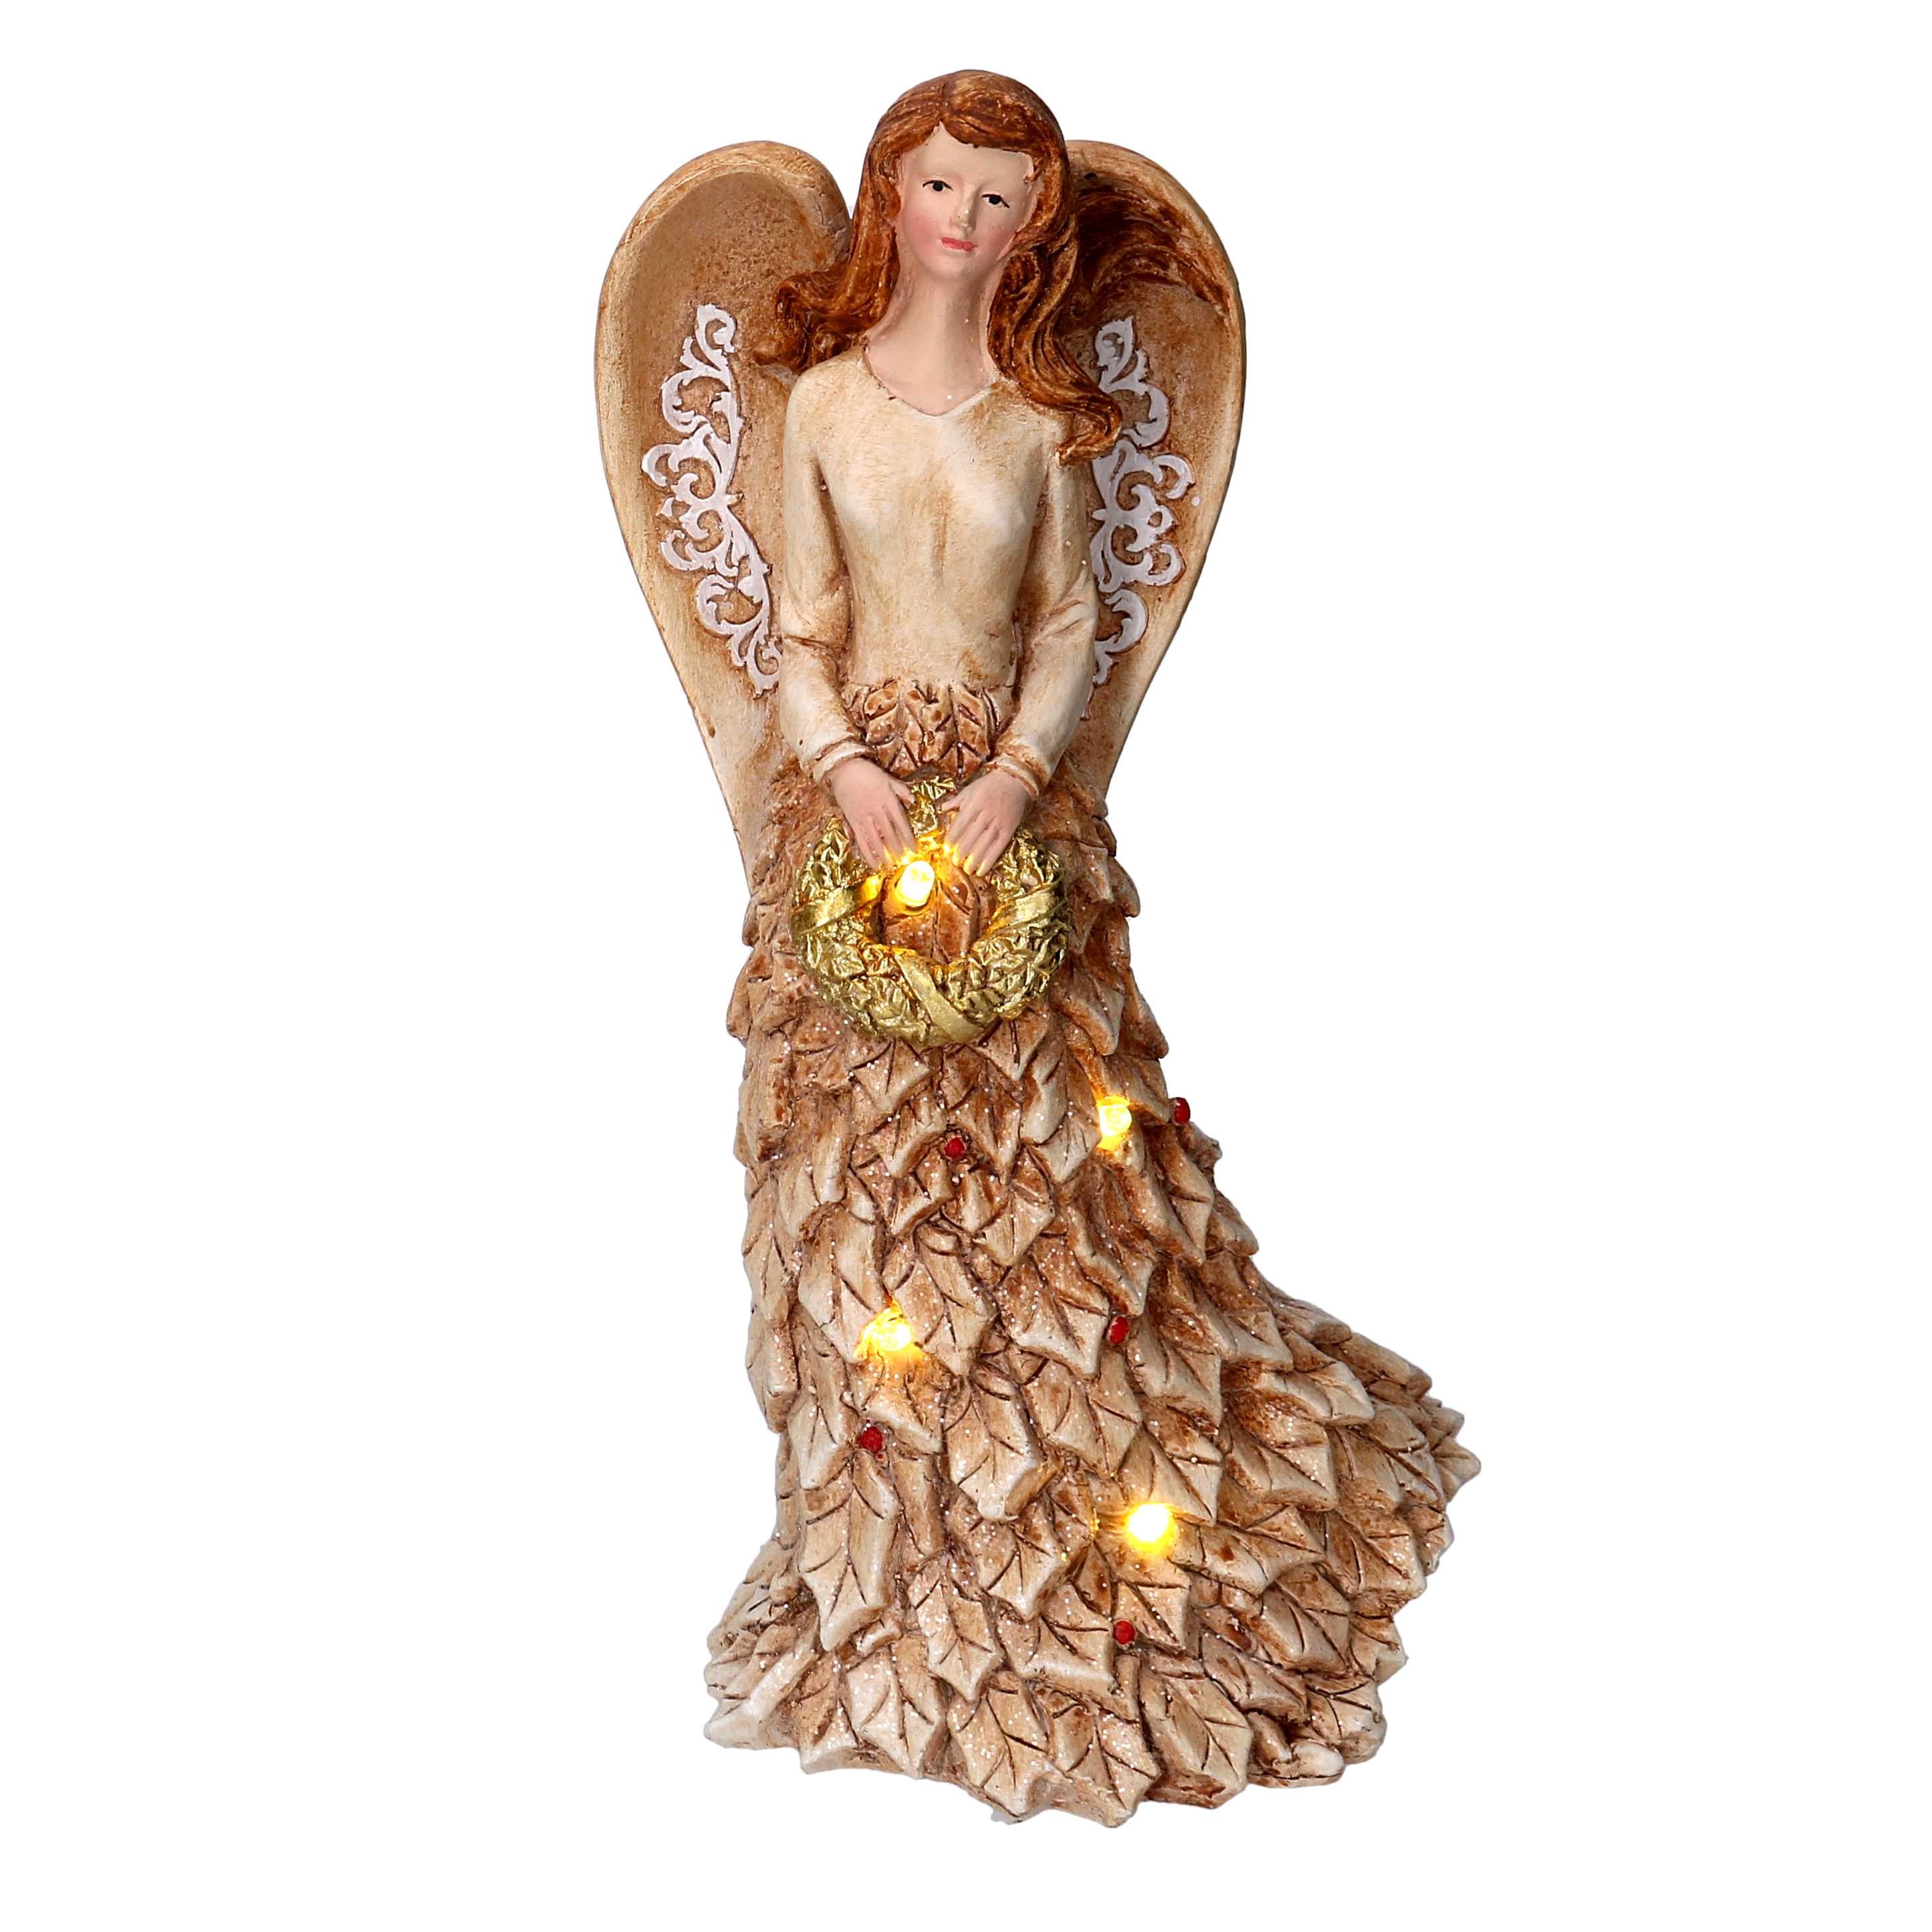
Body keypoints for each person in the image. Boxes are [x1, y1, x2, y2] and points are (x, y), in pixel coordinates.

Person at [703, 70, 1475, 1823]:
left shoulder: (1042, 424)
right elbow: (799, 633)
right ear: (890, 193)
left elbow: (1064, 622)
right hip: (856, 843)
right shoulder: (821, 405)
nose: (962, 224)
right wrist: (848, 771)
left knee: (1051, 1178)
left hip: (1009, 830)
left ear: (1033, 224)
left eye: (998, 198)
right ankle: (892, 1519)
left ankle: (1078, 1496)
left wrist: (1010, 779)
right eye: (937, 187)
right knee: (866, 1189)